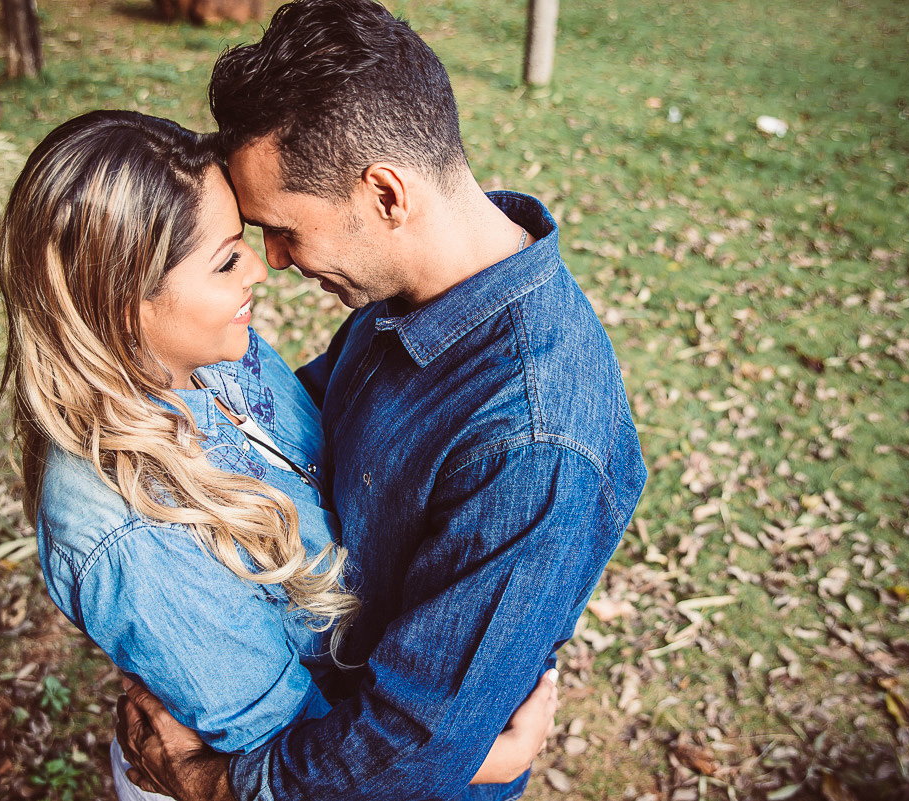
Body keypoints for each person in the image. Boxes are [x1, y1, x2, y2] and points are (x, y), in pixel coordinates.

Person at [117, 1, 647, 799]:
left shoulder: (534, 444)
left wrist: (212, 784)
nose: (275, 259)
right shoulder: (412, 287)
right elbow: (309, 432)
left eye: (285, 229)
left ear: (387, 195)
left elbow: (409, 746)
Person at [0, 110, 557, 801]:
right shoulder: (130, 534)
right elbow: (284, 751)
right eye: (228, 257)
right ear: (122, 302)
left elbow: (312, 446)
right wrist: (487, 757)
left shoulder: (206, 354)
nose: (262, 267)